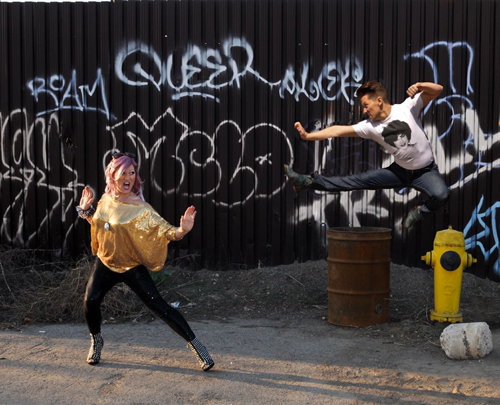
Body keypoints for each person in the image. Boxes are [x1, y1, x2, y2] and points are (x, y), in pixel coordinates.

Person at [76, 152, 215, 371]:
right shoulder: (105, 199)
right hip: (106, 263)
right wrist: (85, 211)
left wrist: (182, 230)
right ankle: (96, 342)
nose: (128, 178)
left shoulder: (142, 209)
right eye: (124, 172)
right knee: (90, 302)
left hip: (131, 267)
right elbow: (100, 223)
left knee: (159, 306)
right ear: (113, 175)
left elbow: (166, 231)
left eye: (132, 173)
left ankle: (199, 348)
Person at [284, 80, 449, 230]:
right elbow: (336, 130)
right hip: (399, 172)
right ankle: (306, 182)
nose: (364, 111)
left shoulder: (407, 107)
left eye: (365, 105)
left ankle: (419, 212)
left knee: (441, 195)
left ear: (379, 100)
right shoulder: (370, 127)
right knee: (355, 181)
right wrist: (308, 136)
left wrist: (419, 85)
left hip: (425, 171)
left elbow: (438, 89)